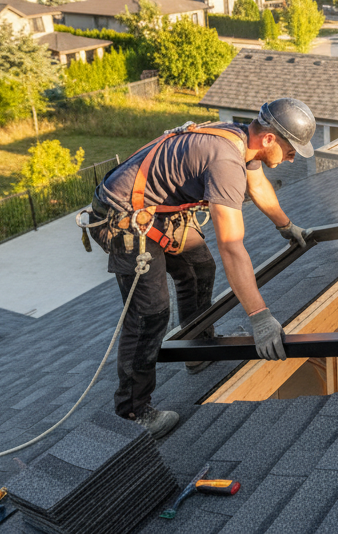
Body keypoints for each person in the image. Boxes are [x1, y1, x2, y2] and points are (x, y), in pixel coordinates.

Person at [88, 98, 316, 438]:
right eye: (291, 148)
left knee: (198, 268)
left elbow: (258, 187)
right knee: (150, 314)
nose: (293, 156)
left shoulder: (243, 142)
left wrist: (286, 226)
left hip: (157, 212)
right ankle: (132, 411)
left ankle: (197, 347)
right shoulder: (226, 161)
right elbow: (231, 245)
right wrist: (260, 318)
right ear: (269, 139)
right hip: (125, 219)